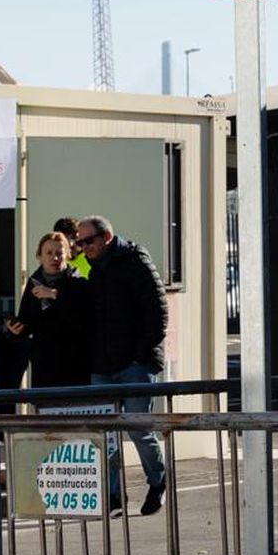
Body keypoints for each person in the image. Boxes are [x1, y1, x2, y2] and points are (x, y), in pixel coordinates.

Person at [76, 215, 168, 515]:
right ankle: (115, 495)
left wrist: (139, 355)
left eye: (88, 240)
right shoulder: (94, 270)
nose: (83, 247)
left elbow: (158, 312)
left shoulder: (135, 260)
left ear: (107, 237)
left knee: (139, 429)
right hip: (103, 364)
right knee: (106, 432)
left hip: (134, 364)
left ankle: (157, 482)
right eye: (80, 241)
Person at [6, 231, 91, 388]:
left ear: (67, 255)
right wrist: (16, 330)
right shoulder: (34, 283)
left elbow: (82, 318)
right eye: (49, 253)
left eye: (59, 253)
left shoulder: (77, 282)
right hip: (44, 363)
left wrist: (55, 295)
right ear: (40, 257)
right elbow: (27, 320)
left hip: (74, 363)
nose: (55, 258)